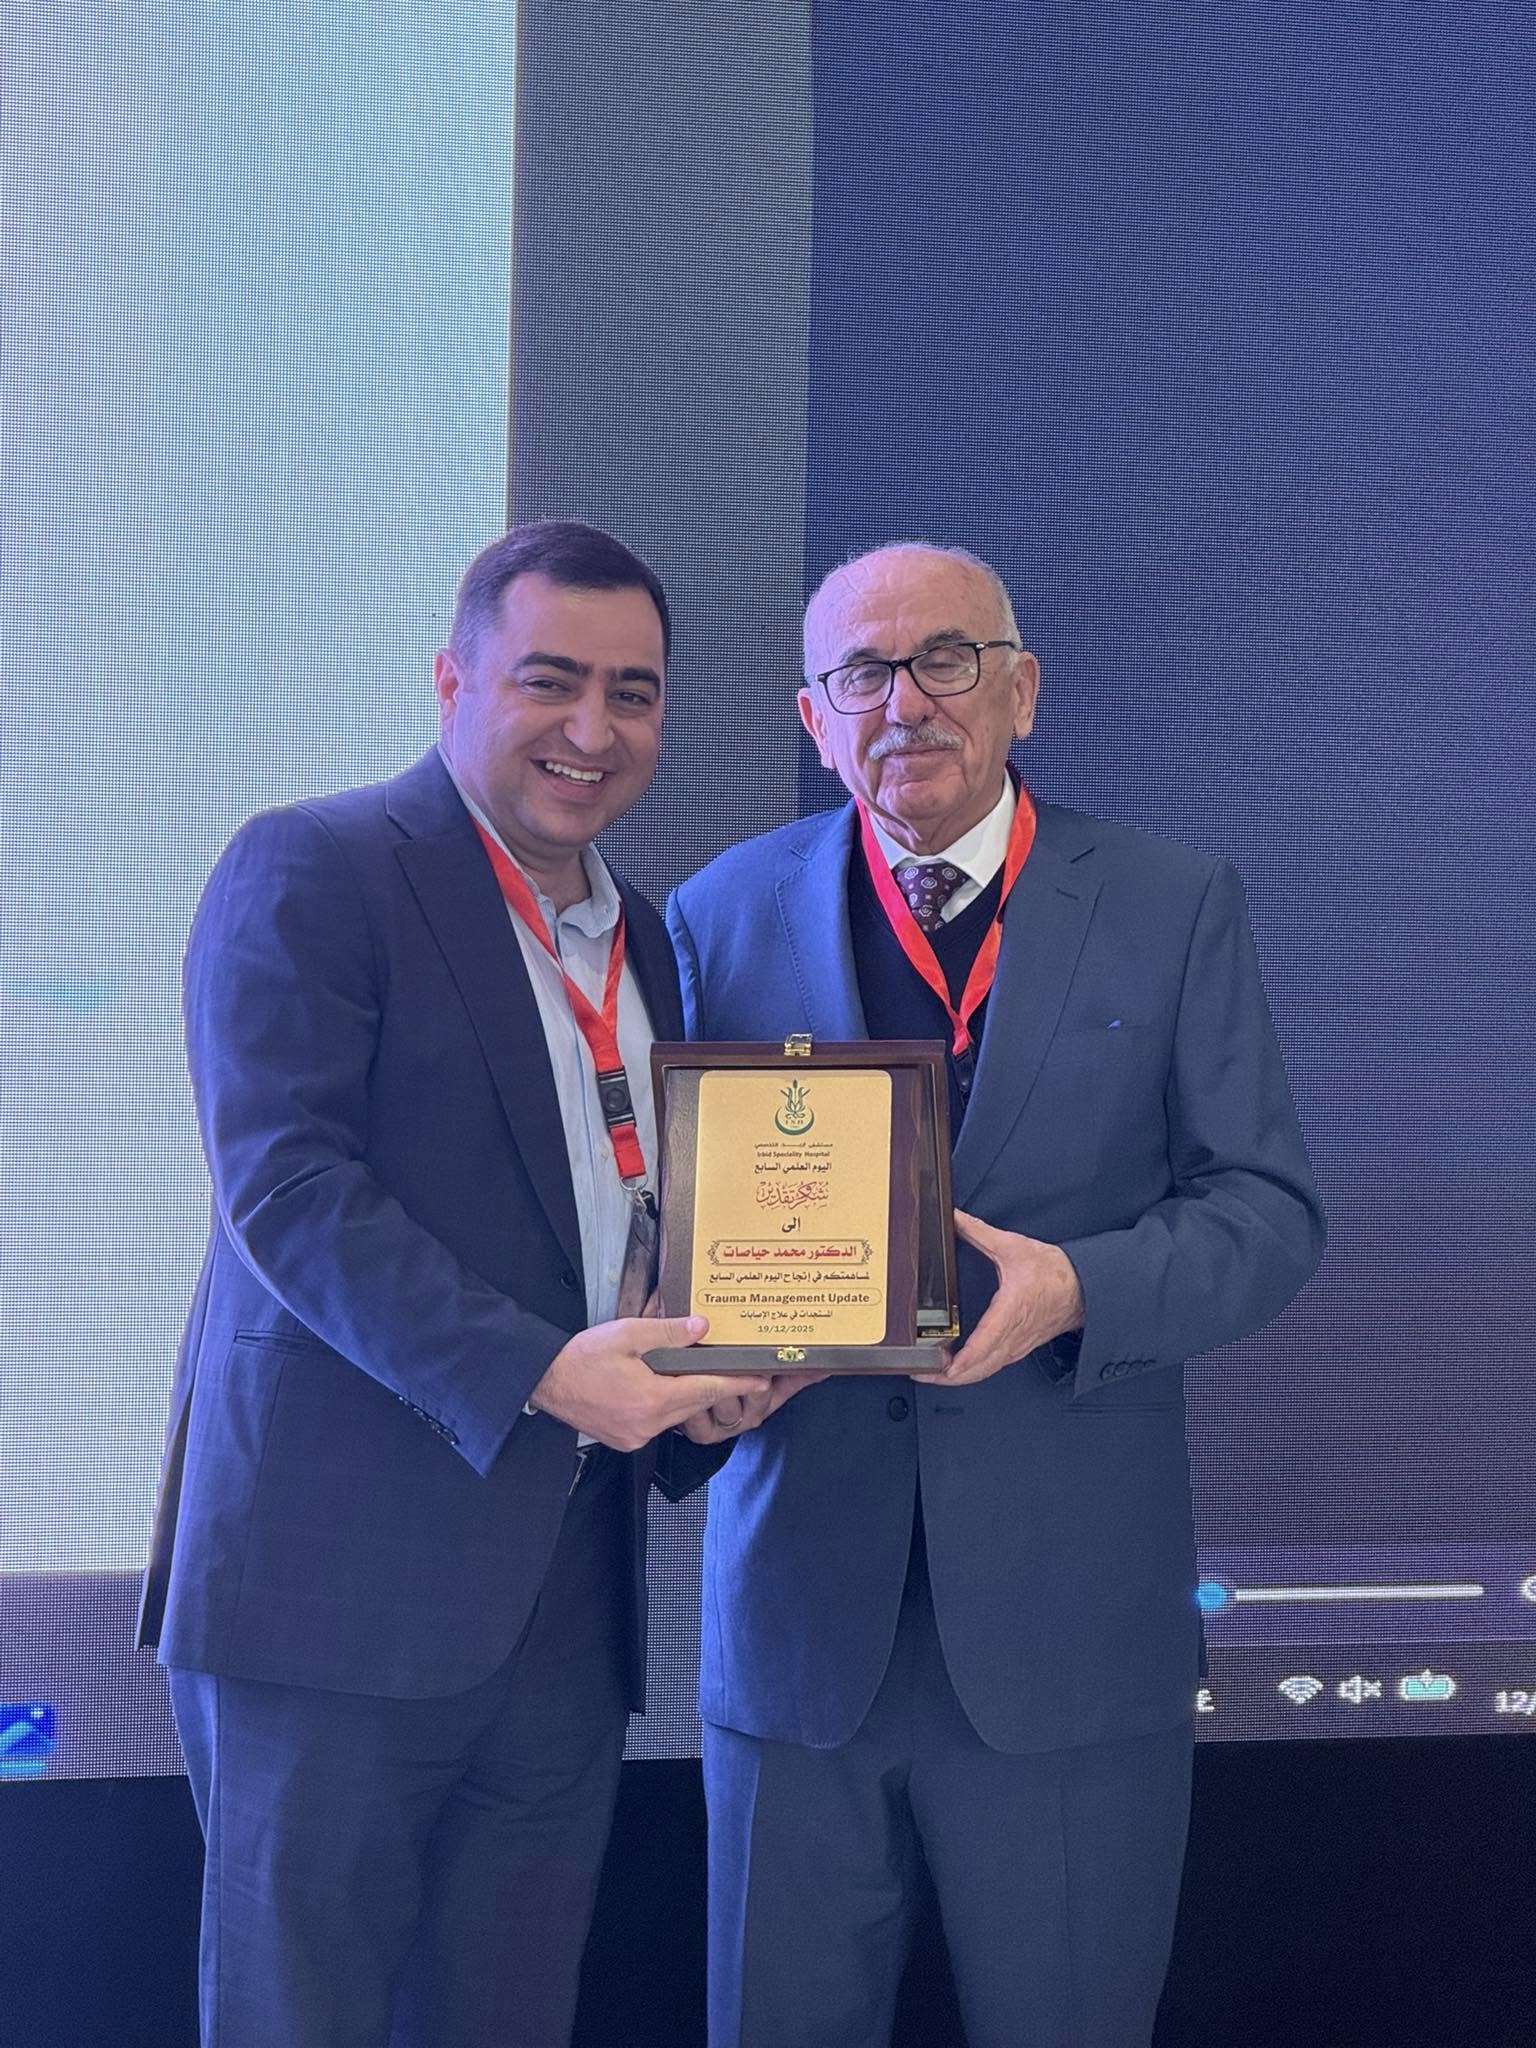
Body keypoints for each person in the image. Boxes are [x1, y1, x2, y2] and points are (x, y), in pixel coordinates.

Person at [667, 541, 1326, 2048]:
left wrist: (1082, 1288)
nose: (907, 702)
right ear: (813, 717)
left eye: (946, 660)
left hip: (1071, 1635)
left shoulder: (1169, 904)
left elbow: (1270, 1212)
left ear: (1021, 689)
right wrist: (694, 1371)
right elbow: (665, 1232)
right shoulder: (718, 914)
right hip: (797, 1632)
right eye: (863, 673)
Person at [139, 520, 765, 2048]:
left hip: (563, 1607)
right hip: (333, 1604)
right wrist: (546, 1372)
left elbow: (626, 1218)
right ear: (451, 680)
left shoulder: (649, 935)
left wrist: (710, 1375)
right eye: (551, 681)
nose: (592, 729)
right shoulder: (317, 866)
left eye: (633, 693)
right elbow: (289, 1192)